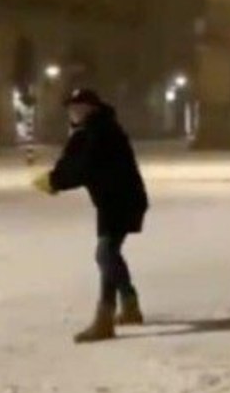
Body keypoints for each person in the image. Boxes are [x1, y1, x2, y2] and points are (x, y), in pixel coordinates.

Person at [32, 88, 149, 344]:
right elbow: (72, 161)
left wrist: (54, 182)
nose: (73, 112)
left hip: (121, 200)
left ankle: (105, 319)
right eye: (71, 108)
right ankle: (129, 305)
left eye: (79, 107)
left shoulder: (101, 131)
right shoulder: (91, 130)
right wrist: (55, 178)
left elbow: (85, 166)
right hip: (115, 199)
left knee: (106, 253)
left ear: (92, 108)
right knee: (109, 253)